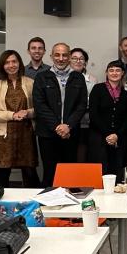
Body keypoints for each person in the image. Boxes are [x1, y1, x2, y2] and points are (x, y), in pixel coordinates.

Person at [32, 43, 88, 187]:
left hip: (71, 133)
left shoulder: (78, 78)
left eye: (64, 55)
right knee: (50, 173)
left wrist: (68, 126)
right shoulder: (41, 77)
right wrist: (57, 126)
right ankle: (49, 206)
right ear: (51, 56)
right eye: (57, 55)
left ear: (69, 57)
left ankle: (69, 207)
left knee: (69, 173)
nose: (61, 58)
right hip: (48, 134)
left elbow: (81, 106)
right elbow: (40, 105)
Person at [0, 50, 39, 188]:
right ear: (2, 66)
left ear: (19, 63)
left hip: (26, 134)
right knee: (1, 175)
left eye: (14, 61)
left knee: (29, 173)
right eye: (7, 62)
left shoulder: (31, 83)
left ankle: (32, 205)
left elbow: (40, 109)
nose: (11, 65)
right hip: (3, 136)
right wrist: (12, 115)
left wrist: (27, 112)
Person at [89, 60, 127, 183]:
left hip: (119, 138)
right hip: (99, 137)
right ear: (106, 73)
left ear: (123, 73)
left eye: (118, 70)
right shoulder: (98, 89)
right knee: (101, 171)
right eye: (111, 70)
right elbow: (94, 114)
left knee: (117, 172)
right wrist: (108, 134)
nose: (114, 73)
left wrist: (116, 135)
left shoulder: (126, 94)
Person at [70, 47, 98, 162]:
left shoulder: (92, 80)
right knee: (69, 155)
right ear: (69, 61)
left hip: (86, 123)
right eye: (75, 58)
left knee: (83, 154)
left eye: (81, 59)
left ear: (85, 63)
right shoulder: (63, 78)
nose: (78, 61)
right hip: (68, 123)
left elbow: (93, 102)